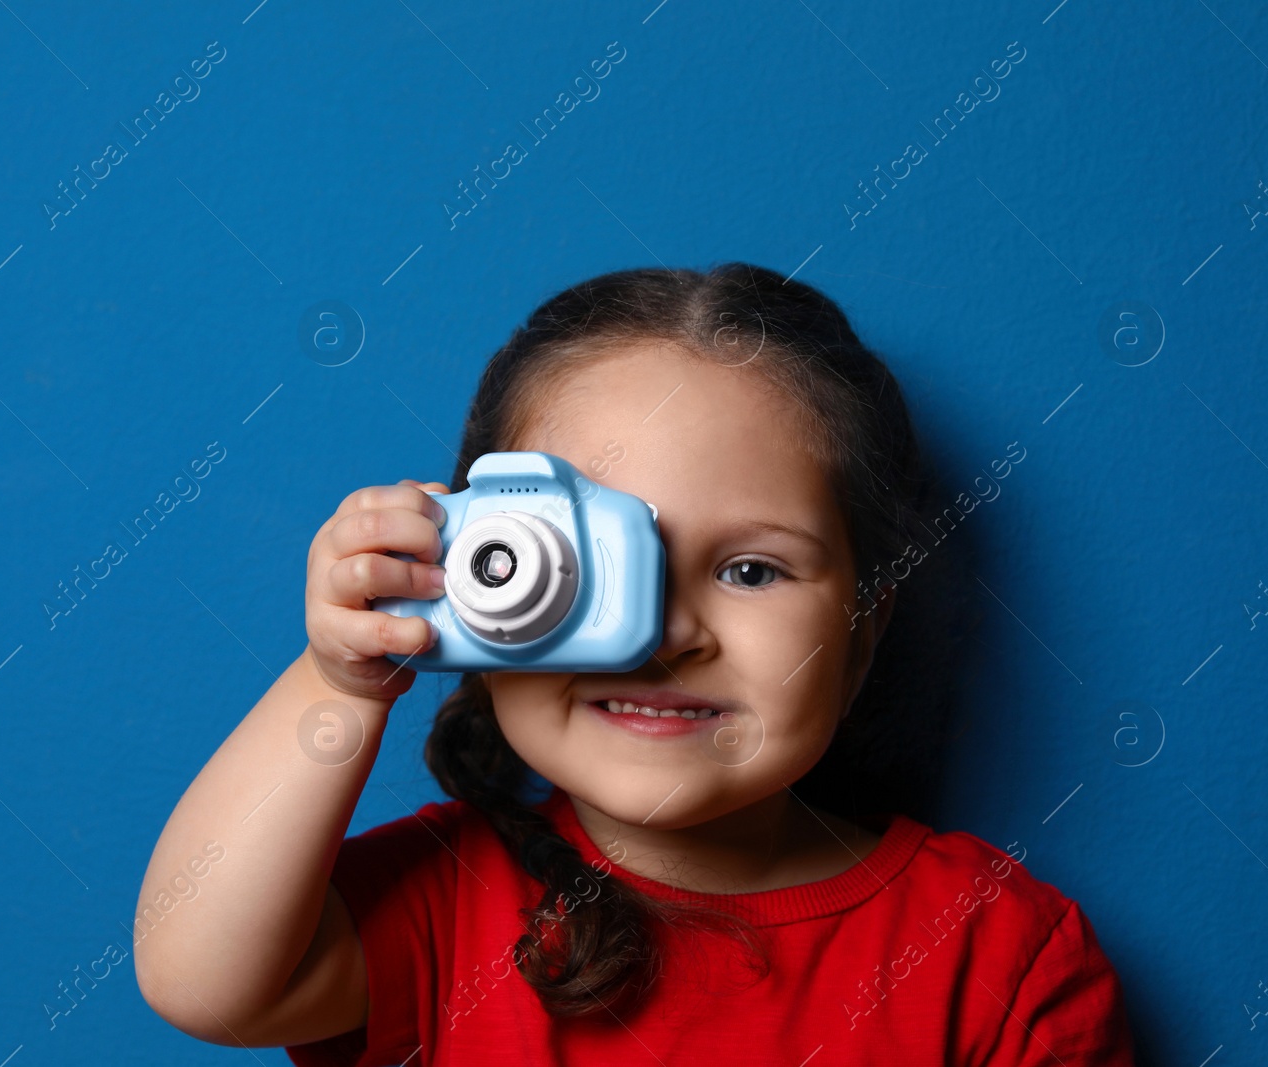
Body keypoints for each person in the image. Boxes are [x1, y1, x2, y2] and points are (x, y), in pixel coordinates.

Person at [132, 263, 1138, 1064]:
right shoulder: (443, 909)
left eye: (750, 568)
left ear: (865, 623)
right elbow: (203, 976)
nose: (665, 633)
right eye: (597, 572)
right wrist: (342, 676)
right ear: (476, 583)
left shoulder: (991, 948)